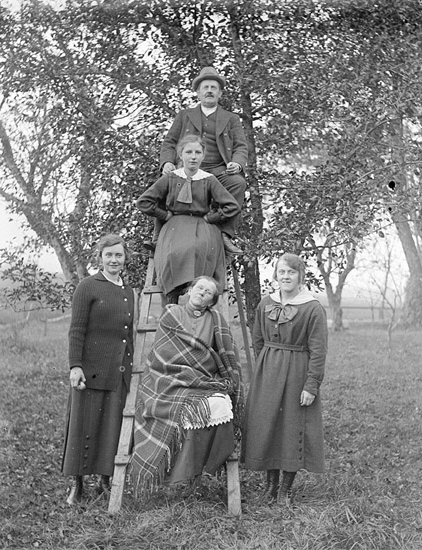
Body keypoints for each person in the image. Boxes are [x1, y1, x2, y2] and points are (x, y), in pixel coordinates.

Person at [129, 276, 244, 493]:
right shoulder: (172, 313)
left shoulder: (216, 320)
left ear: (211, 301)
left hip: (201, 381)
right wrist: (190, 368)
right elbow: (164, 353)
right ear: (190, 290)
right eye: (199, 288)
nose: (202, 293)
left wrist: (207, 370)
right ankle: (178, 475)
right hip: (168, 379)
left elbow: (221, 355)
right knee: (184, 409)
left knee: (218, 404)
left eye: (208, 292)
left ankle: (199, 469)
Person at [241, 253, 328, 504]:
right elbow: (258, 339)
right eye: (282, 272)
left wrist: (311, 385)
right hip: (268, 372)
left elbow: (319, 350)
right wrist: (266, 365)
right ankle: (270, 487)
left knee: (291, 427)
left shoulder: (312, 308)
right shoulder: (266, 303)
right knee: (268, 425)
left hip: (297, 373)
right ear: (276, 276)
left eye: (291, 272)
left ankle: (285, 491)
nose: (286, 277)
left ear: (300, 276)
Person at [61, 234, 135, 505]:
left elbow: (128, 334)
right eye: (109, 255)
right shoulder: (88, 286)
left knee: (111, 427)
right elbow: (76, 330)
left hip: (118, 371)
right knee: (83, 426)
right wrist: (75, 366)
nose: (114, 260)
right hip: (89, 372)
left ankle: (105, 481)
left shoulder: (130, 292)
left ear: (125, 258)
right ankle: (77, 484)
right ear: (100, 258)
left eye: (118, 255)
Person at [137, 134, 241, 304]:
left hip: (202, 226)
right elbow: (144, 202)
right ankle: (172, 298)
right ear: (180, 154)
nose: (193, 157)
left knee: (198, 249)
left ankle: (198, 298)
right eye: (189, 152)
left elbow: (232, 206)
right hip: (174, 226)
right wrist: (165, 215)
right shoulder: (170, 177)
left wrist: (212, 217)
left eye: (198, 152)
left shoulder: (208, 179)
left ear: (203, 155)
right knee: (172, 253)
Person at [157, 66, 248, 256]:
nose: (209, 91)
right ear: (198, 92)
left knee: (238, 183)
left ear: (220, 93)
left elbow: (241, 146)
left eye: (214, 88)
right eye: (205, 87)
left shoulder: (231, 118)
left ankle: (225, 233)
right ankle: (157, 237)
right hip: (188, 171)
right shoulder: (184, 116)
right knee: (164, 183)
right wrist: (167, 163)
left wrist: (237, 163)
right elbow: (169, 143)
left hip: (219, 172)